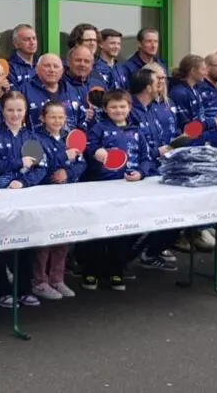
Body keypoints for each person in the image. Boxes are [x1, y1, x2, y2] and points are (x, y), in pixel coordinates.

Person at [0, 91, 47, 307]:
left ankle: (24, 289)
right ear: (2, 111)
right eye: (10, 110)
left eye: (19, 110)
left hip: (24, 199)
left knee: (26, 244)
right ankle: (1, 291)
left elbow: (41, 168)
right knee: (0, 245)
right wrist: (18, 162)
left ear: (26, 111)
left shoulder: (32, 137)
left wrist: (23, 182)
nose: (15, 114)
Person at [79, 89, 147, 291]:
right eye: (113, 106)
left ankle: (116, 270)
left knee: (122, 232)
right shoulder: (98, 128)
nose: (118, 110)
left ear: (129, 108)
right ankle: (91, 271)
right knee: (97, 231)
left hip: (127, 188)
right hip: (101, 187)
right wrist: (96, 152)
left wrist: (141, 173)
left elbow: (146, 158)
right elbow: (88, 148)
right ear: (106, 109)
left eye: (122, 106)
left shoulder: (137, 131)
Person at [127, 68, 181, 268]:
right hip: (139, 173)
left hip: (160, 170)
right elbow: (130, 143)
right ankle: (124, 261)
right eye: (156, 80)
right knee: (139, 221)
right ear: (147, 87)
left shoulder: (153, 108)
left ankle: (150, 253)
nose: (161, 83)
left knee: (174, 218)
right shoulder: (130, 110)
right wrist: (156, 152)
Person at [33, 101, 84, 298]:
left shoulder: (70, 136)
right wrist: (63, 156)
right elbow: (41, 164)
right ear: (43, 118)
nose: (57, 121)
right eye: (52, 117)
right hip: (44, 193)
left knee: (62, 238)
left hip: (67, 193)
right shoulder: (35, 138)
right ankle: (40, 281)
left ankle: (57, 279)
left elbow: (82, 163)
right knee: (44, 240)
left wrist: (67, 173)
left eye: (61, 117)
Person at [21, 54, 78, 134]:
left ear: (62, 71)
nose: (52, 70)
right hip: (35, 141)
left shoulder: (71, 90)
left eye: (56, 66)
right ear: (36, 69)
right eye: (47, 66)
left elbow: (81, 120)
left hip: (68, 140)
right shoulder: (24, 91)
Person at [64, 45, 107, 132]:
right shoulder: (59, 85)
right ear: (68, 62)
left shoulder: (99, 84)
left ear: (92, 65)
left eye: (87, 61)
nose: (82, 64)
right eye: (78, 60)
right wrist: (80, 116)